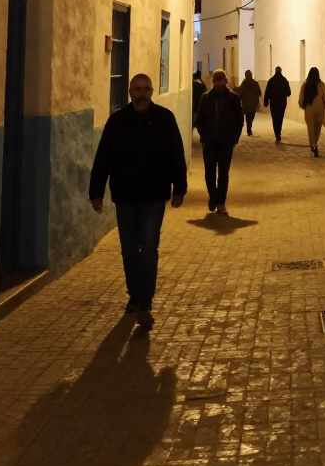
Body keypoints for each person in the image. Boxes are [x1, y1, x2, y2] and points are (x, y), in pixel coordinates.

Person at [89, 73, 187, 330]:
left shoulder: (164, 119)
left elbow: (177, 153)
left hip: (154, 196)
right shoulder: (117, 121)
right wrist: (96, 191)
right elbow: (104, 158)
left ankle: (144, 301)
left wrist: (180, 188)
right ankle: (135, 293)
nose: (141, 94)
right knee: (130, 249)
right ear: (130, 92)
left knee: (149, 248)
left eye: (145, 89)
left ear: (152, 91)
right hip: (126, 196)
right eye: (137, 89)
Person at [195, 68, 244, 215]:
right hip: (209, 142)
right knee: (209, 173)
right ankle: (213, 197)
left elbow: (239, 120)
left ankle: (221, 203)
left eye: (221, 80)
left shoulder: (233, 98)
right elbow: (199, 119)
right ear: (213, 81)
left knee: (223, 174)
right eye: (216, 80)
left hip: (225, 142)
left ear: (225, 81)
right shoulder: (206, 97)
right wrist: (203, 135)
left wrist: (234, 138)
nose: (219, 84)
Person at [299, 67, 325, 157]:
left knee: (310, 129)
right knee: (317, 129)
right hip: (320, 110)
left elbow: (301, 98)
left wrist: (302, 105)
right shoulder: (321, 85)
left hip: (309, 110)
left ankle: (312, 145)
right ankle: (315, 144)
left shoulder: (305, 85)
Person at [264, 65, 292, 142]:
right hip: (282, 103)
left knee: (274, 118)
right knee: (280, 118)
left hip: (273, 103)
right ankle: (279, 132)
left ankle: (276, 134)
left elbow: (267, 93)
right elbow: (289, 93)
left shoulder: (271, 81)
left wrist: (266, 102)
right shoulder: (284, 80)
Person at [236, 69, 262, 137]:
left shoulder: (244, 83)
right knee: (251, 115)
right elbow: (259, 92)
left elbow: (240, 92)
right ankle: (249, 128)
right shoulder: (254, 83)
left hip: (246, 103)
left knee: (248, 116)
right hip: (253, 103)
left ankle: (249, 128)